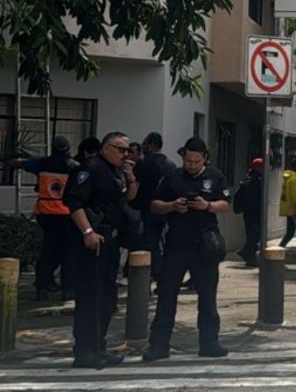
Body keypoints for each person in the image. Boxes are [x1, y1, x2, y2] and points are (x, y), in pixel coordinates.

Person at [142, 137, 231, 362]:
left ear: (205, 159)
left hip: (205, 245)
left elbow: (226, 204)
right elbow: (154, 204)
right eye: (188, 160)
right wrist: (172, 206)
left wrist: (207, 206)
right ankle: (159, 345)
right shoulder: (172, 177)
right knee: (167, 295)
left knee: (207, 297)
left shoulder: (215, 177)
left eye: (196, 161)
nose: (192, 165)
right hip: (177, 245)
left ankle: (209, 343)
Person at [62, 132, 139, 368]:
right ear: (106, 148)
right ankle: (84, 349)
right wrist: (87, 232)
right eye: (121, 150)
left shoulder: (117, 171)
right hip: (94, 240)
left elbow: (128, 199)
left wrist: (130, 178)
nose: (125, 155)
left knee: (107, 298)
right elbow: (74, 202)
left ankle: (98, 346)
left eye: (128, 151)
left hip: (112, 240)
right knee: (90, 297)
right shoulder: (90, 169)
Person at [16, 135, 80, 301]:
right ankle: (68, 290)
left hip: (45, 213)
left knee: (47, 251)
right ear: (67, 149)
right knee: (68, 253)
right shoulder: (74, 167)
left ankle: (42, 288)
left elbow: (22, 164)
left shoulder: (42, 163)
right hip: (67, 214)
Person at [133, 132, 176, 280]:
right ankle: (162, 273)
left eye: (145, 143)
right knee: (161, 243)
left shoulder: (142, 162)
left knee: (148, 244)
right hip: (167, 210)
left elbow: (135, 186)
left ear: (151, 145)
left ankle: (155, 273)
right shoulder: (170, 164)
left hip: (145, 209)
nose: (143, 146)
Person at [234, 157, 263, 267]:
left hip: (253, 211)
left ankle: (249, 256)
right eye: (260, 167)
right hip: (251, 211)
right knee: (254, 234)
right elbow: (251, 197)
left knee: (255, 235)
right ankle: (247, 252)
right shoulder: (251, 179)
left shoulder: (256, 178)